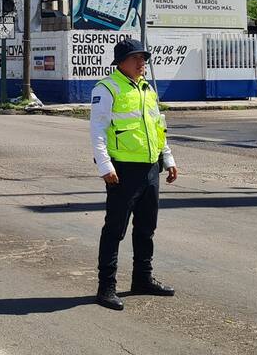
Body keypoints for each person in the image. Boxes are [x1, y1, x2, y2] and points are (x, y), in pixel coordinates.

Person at [89, 38, 178, 311]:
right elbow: (98, 130)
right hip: (122, 170)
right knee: (115, 229)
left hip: (150, 167)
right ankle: (106, 287)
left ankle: (142, 278)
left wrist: (168, 157)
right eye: (136, 58)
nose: (142, 63)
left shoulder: (147, 89)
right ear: (121, 62)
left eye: (143, 58)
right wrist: (105, 166)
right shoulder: (107, 88)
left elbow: (157, 125)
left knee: (146, 228)